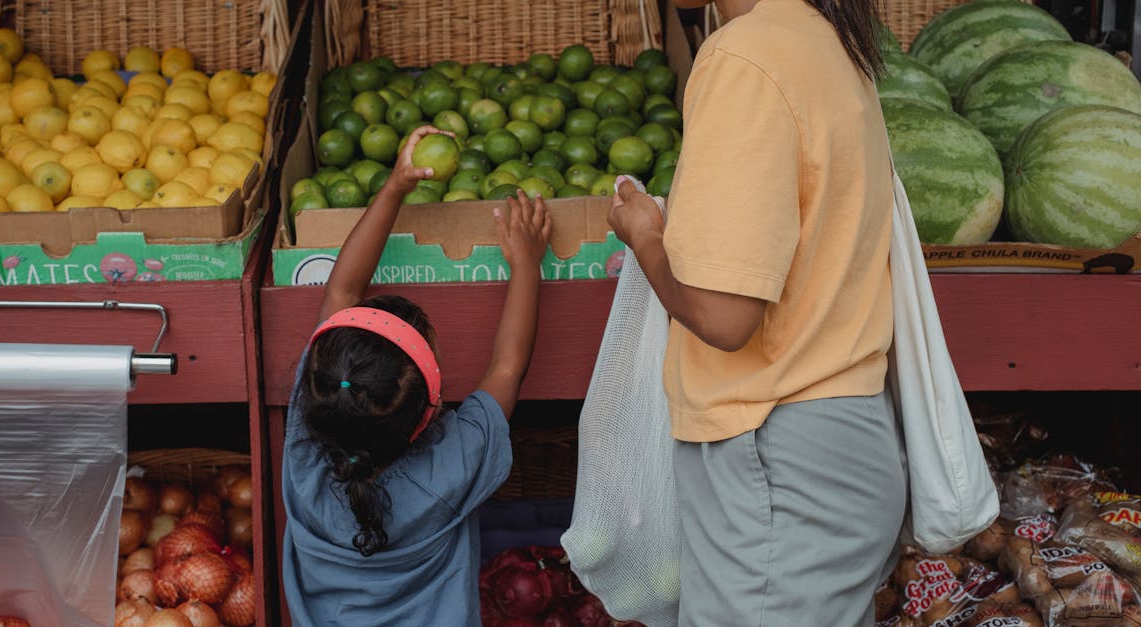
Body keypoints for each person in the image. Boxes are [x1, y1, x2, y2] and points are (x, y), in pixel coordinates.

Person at [606, 0, 908, 624]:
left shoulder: (745, 57)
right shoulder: (831, 45)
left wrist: (646, 238)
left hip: (778, 448)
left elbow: (723, 317)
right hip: (840, 435)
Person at [281, 125, 553, 625]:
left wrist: (393, 187)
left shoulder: (306, 457)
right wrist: (527, 263)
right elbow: (510, 364)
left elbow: (340, 293)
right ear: (428, 416)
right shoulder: (451, 465)